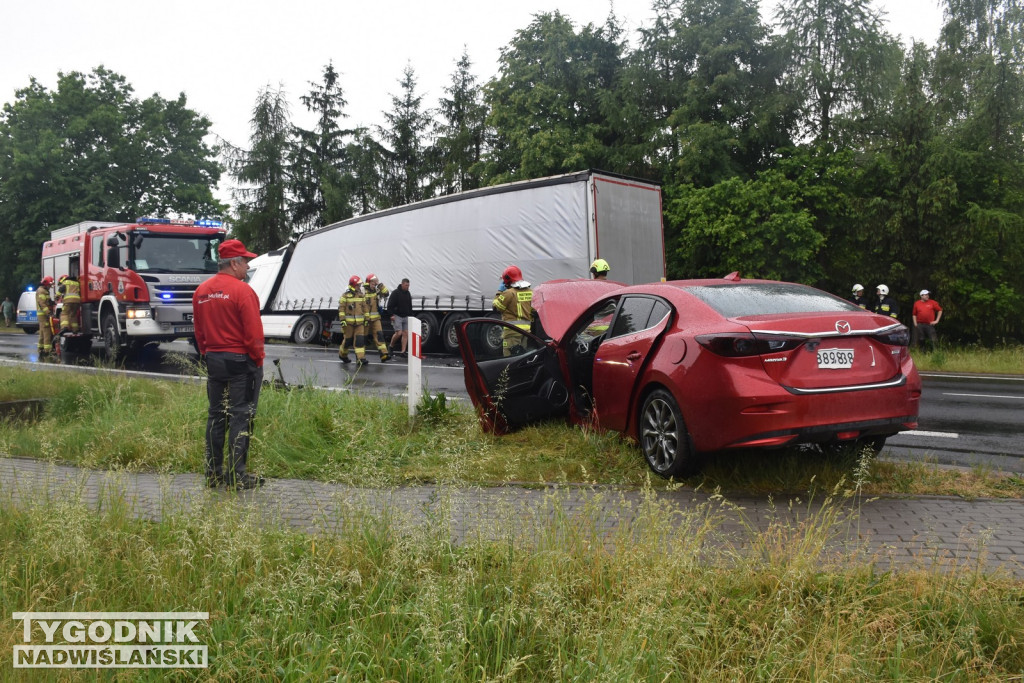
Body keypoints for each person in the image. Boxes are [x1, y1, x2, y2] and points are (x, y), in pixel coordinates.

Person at [192, 239, 266, 491]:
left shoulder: (201, 291)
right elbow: (253, 334)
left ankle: (213, 473)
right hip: (240, 362)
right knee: (240, 416)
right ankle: (238, 475)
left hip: (214, 359)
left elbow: (199, 331)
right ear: (234, 263)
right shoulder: (243, 291)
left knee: (215, 416)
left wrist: (207, 352)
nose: (247, 266)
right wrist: (257, 359)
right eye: (245, 261)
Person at [493, 265, 533, 356]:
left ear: (507, 279)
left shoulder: (508, 293)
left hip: (512, 332)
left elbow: (496, 307)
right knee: (522, 358)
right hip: (526, 332)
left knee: (510, 359)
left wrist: (499, 291)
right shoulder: (530, 292)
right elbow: (534, 310)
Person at [338, 276, 368, 366]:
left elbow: (365, 308)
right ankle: (342, 355)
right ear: (353, 285)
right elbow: (341, 309)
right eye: (358, 285)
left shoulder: (361, 295)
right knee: (347, 341)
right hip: (348, 323)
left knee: (360, 341)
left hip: (359, 323)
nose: (359, 287)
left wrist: (366, 319)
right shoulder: (345, 296)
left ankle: (360, 358)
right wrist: (342, 320)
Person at [363, 274, 390, 362]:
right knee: (363, 338)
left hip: (375, 318)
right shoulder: (363, 291)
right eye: (373, 281)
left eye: (375, 281)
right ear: (368, 282)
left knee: (380, 336)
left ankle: (384, 354)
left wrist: (380, 284)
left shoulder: (377, 290)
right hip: (365, 319)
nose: (374, 283)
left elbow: (386, 293)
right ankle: (360, 357)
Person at [388, 278, 413, 357]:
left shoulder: (408, 293)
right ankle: (391, 346)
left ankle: (403, 351)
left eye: (408, 285)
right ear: (402, 284)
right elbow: (390, 304)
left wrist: (410, 313)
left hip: (405, 316)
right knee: (398, 333)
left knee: (405, 333)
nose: (407, 287)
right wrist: (391, 314)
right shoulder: (395, 293)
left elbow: (409, 304)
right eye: (406, 285)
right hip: (397, 315)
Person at [36, 276, 55, 358]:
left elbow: (47, 302)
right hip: (43, 314)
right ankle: (47, 351)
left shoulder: (44, 291)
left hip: (43, 314)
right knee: (47, 331)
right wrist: (49, 312)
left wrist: (52, 303)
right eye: (49, 284)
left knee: (42, 332)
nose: (50, 286)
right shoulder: (41, 291)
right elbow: (42, 303)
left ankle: (41, 348)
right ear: (46, 283)